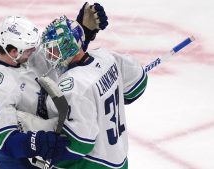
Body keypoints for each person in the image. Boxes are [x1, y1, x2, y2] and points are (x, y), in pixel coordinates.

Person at [0, 2, 109, 169]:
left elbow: (61, 57)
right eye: (29, 49)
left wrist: (83, 31)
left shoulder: (27, 53)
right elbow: (5, 141)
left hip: (53, 135)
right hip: (20, 154)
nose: (35, 51)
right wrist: (39, 143)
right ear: (13, 51)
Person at [40, 15, 148, 169]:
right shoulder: (106, 57)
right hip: (119, 161)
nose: (51, 55)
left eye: (54, 49)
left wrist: (42, 150)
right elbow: (136, 88)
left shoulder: (72, 87)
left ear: (67, 47)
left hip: (91, 164)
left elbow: (79, 144)